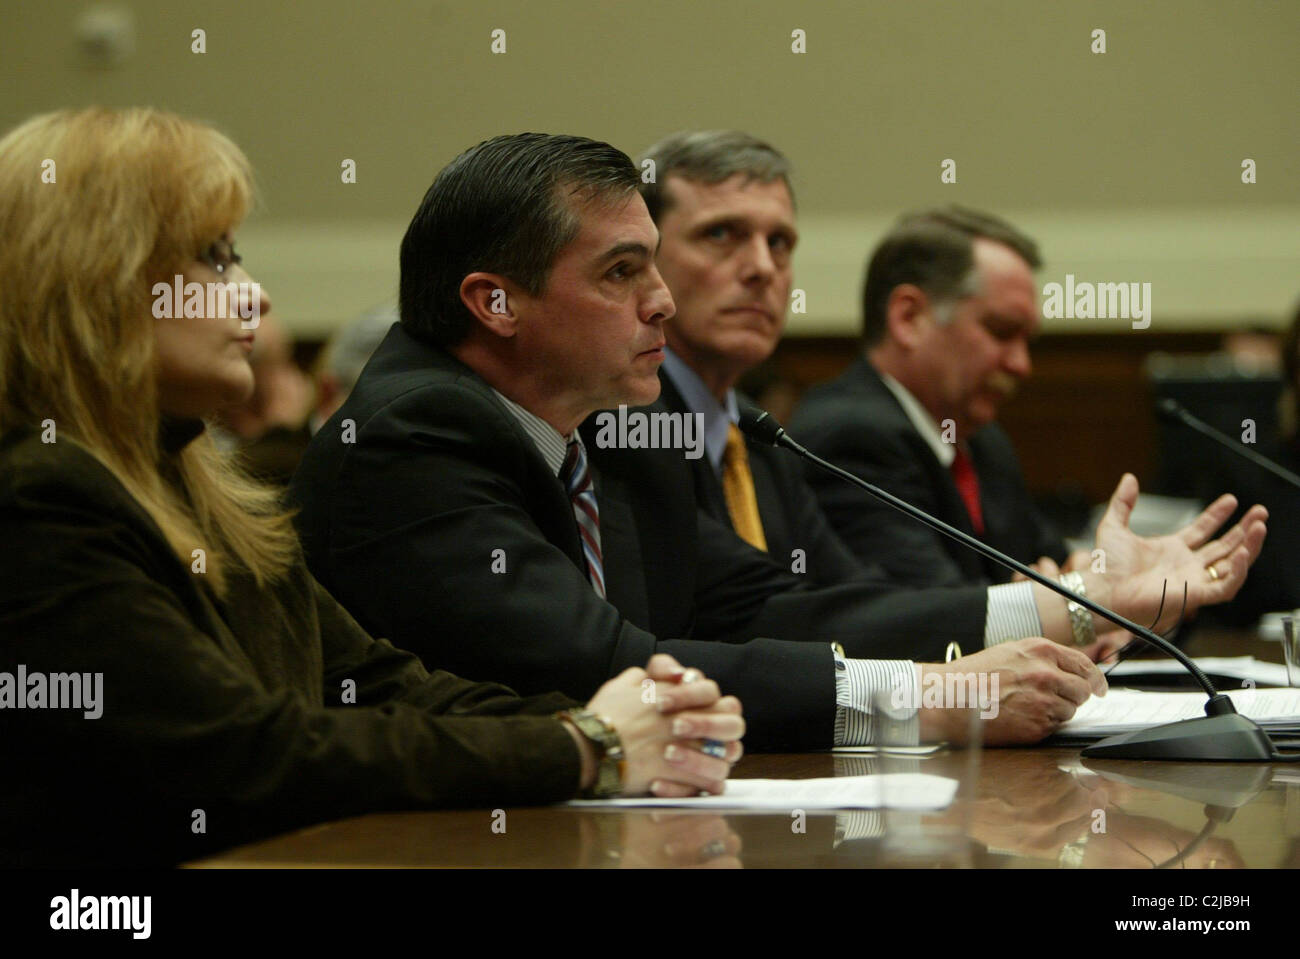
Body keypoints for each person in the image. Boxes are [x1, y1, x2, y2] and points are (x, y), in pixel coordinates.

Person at [291, 132, 1271, 755]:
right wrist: (922, 697)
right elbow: (596, 662)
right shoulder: (410, 434)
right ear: (493, 302)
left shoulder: (606, 429)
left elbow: (771, 603)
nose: (663, 300)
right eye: (625, 270)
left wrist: (1067, 607)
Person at [0, 108, 743, 867]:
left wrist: (647, 723)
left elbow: (385, 686)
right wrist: (585, 743)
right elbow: (246, 753)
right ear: (95, 281)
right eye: (213, 260)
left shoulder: (211, 500)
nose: (253, 296)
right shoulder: (40, 498)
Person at [639, 130, 1269, 656]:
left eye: (781, 242)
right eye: (722, 234)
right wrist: (1080, 610)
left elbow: (856, 603)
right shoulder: (629, 426)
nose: (762, 267)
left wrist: (1093, 595)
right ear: (646, 260)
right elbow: (773, 621)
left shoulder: (755, 434)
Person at [789, 207, 1269, 619]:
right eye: (1001, 331)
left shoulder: (984, 442)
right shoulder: (848, 435)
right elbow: (940, 621)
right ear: (908, 318)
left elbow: (1058, 576)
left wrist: (1122, 590)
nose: (1022, 365)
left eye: (1027, 341)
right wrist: (1086, 608)